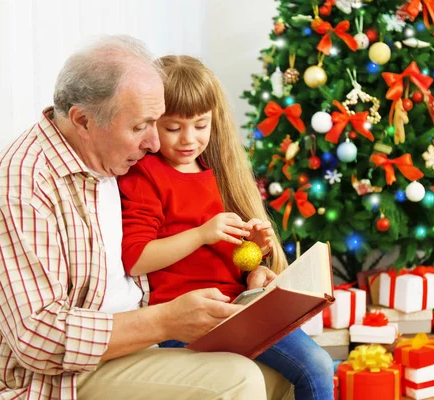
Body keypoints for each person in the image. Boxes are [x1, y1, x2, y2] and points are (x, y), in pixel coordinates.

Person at [0, 35, 294, 400]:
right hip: (58, 377)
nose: (153, 143)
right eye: (139, 127)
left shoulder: (110, 161)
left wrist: (250, 274)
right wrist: (165, 320)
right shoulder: (18, 189)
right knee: (238, 379)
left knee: (281, 377)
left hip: (136, 347)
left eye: (155, 123)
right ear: (83, 120)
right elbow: (37, 338)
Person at [118, 55, 335, 400]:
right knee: (316, 367)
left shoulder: (214, 171)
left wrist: (256, 259)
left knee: (321, 365)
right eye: (173, 128)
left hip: (239, 305)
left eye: (200, 125)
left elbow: (226, 258)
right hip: (190, 317)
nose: (188, 139)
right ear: (152, 123)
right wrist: (203, 233)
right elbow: (135, 257)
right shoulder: (146, 175)